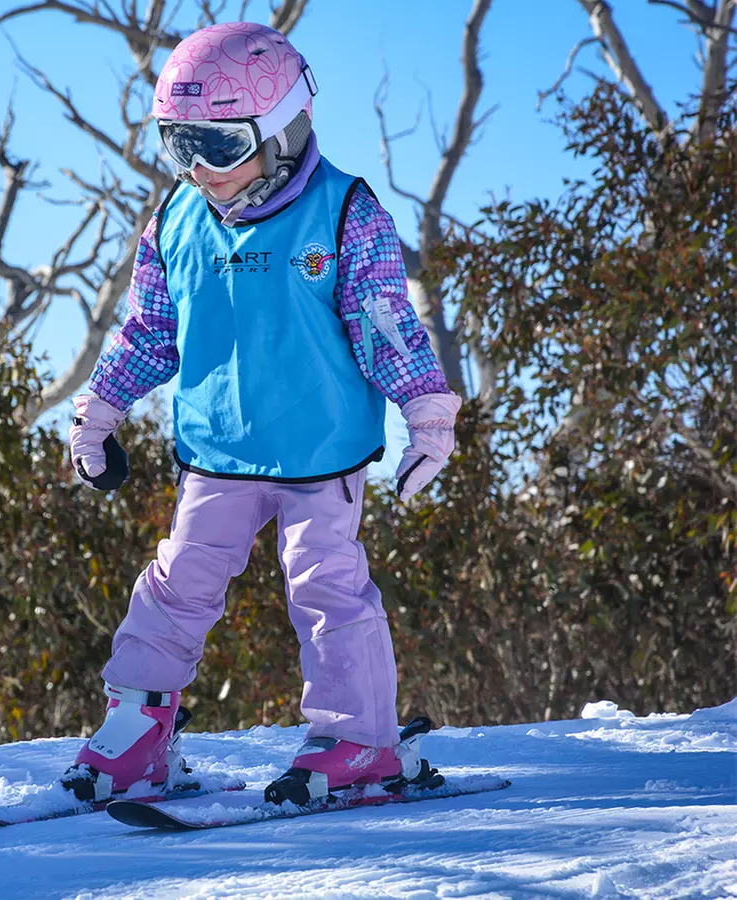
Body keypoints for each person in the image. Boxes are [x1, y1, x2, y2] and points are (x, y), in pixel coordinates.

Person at [60, 21, 463, 807]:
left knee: (326, 588)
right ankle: (137, 731)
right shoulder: (175, 224)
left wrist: (428, 415)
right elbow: (149, 332)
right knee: (174, 586)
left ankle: (360, 741)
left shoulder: (342, 213)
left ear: (281, 131)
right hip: (216, 456)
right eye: (180, 148)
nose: (198, 171)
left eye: (217, 146)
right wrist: (99, 412)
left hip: (319, 455)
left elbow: (387, 327)